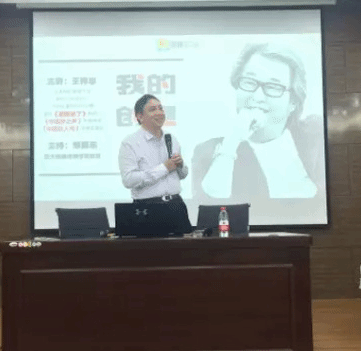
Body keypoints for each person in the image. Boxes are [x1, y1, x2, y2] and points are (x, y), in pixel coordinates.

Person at [192, 43, 324, 202]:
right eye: (249, 82)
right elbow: (211, 201)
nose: (257, 97)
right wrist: (232, 141)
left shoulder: (316, 137)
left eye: (274, 86)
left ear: (293, 102)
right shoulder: (208, 152)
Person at [118, 94, 191, 232]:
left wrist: (180, 165)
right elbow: (129, 180)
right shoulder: (130, 143)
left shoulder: (171, 138)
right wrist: (164, 168)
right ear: (139, 116)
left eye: (161, 108)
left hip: (176, 206)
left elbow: (182, 175)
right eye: (153, 109)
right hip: (148, 209)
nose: (159, 112)